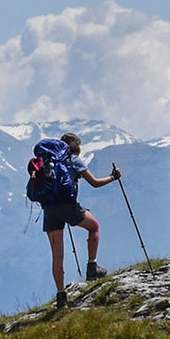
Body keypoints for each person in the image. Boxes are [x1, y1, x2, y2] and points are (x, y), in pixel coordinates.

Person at [41, 132, 121, 309]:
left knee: (57, 256)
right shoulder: (74, 160)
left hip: (49, 210)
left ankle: (61, 296)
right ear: (75, 147)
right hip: (68, 207)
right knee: (94, 226)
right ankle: (92, 268)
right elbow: (94, 183)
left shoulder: (48, 161)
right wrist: (113, 177)